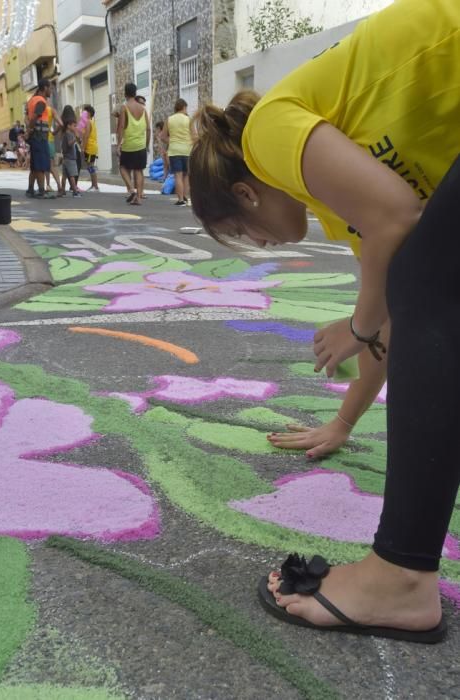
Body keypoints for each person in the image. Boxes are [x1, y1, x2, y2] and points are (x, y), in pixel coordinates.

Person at [189, 0, 460, 643]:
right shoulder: (337, 205)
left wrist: (358, 325)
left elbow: (397, 232)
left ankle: (399, 577)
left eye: (243, 234)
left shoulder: (269, 134)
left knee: (424, 276)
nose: (261, 246)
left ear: (248, 194)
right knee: (431, 280)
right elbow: (398, 314)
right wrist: (342, 420)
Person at [117, 82, 150, 205]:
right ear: (135, 93)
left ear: (125, 93)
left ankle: (131, 189)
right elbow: (148, 128)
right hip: (141, 145)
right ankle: (139, 198)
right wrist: (146, 144)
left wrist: (119, 144)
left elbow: (120, 127)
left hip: (128, 145)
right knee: (139, 170)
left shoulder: (124, 108)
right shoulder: (143, 108)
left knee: (122, 167)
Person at [25, 78, 55, 199]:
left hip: (35, 136)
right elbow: (34, 118)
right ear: (45, 88)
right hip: (39, 137)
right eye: (50, 88)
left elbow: (26, 117)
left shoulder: (32, 100)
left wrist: (29, 131)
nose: (51, 91)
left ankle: (30, 189)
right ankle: (41, 191)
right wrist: (30, 130)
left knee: (34, 165)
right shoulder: (41, 102)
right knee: (41, 165)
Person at [161, 98, 192, 206]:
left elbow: (163, 137)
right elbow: (195, 135)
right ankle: (185, 197)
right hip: (187, 150)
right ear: (184, 107)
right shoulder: (189, 120)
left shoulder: (169, 119)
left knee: (177, 175)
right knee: (186, 176)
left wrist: (173, 141)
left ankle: (180, 199)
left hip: (174, 150)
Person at [58, 105, 81, 197]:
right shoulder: (69, 134)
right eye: (74, 126)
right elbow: (70, 144)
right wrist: (76, 139)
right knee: (72, 175)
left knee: (64, 175)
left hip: (66, 157)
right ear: (69, 125)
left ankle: (62, 190)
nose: (75, 127)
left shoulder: (65, 132)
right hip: (70, 158)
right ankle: (75, 190)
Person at [81, 104, 99, 192]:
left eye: (84, 111)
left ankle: (95, 186)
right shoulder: (91, 122)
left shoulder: (88, 122)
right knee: (90, 166)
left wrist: (83, 148)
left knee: (91, 167)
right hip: (92, 147)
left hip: (90, 147)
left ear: (88, 113)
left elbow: (86, 136)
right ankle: (93, 185)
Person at [45, 101, 62, 192]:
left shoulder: (40, 110)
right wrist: (54, 132)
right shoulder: (51, 110)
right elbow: (60, 124)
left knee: (47, 165)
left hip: (41, 139)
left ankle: (50, 185)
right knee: (50, 164)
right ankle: (54, 185)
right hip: (50, 139)